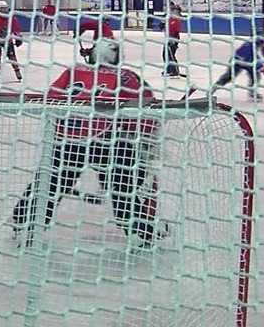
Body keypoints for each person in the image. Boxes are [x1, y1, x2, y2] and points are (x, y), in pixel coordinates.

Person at [9, 39, 164, 250]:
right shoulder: (125, 76)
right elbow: (144, 107)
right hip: (105, 140)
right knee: (124, 184)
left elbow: (52, 97)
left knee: (49, 182)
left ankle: (24, 221)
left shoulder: (73, 71)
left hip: (67, 139)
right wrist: (146, 138)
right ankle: (141, 230)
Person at [0, 0, 23, 82]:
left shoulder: (12, 18)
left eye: (5, 8)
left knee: (12, 57)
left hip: (8, 40)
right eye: (2, 8)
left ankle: (17, 71)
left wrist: (18, 37)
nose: (4, 10)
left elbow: (16, 29)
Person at [163, 5, 184, 78]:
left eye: (176, 13)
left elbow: (175, 32)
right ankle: (169, 69)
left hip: (173, 38)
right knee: (165, 54)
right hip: (168, 38)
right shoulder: (170, 19)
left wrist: (173, 41)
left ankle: (174, 71)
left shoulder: (177, 21)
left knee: (170, 55)